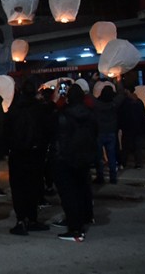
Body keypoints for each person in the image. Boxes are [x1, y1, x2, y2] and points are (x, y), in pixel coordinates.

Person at [4, 79, 53, 235]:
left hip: (18, 152)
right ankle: (31, 218)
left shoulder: (14, 110)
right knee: (33, 186)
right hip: (35, 152)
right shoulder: (40, 109)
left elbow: (7, 131)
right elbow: (47, 130)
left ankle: (21, 219)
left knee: (18, 188)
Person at [50, 83, 97, 242]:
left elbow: (58, 138)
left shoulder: (62, 115)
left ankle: (75, 229)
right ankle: (83, 218)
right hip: (84, 157)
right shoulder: (90, 114)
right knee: (82, 189)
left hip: (66, 159)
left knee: (69, 195)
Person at [89, 80, 125, 184]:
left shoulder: (97, 105)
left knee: (99, 157)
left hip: (99, 133)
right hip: (111, 132)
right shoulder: (114, 104)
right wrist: (118, 81)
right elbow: (121, 94)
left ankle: (100, 176)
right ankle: (113, 177)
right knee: (111, 156)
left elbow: (89, 95)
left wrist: (92, 81)